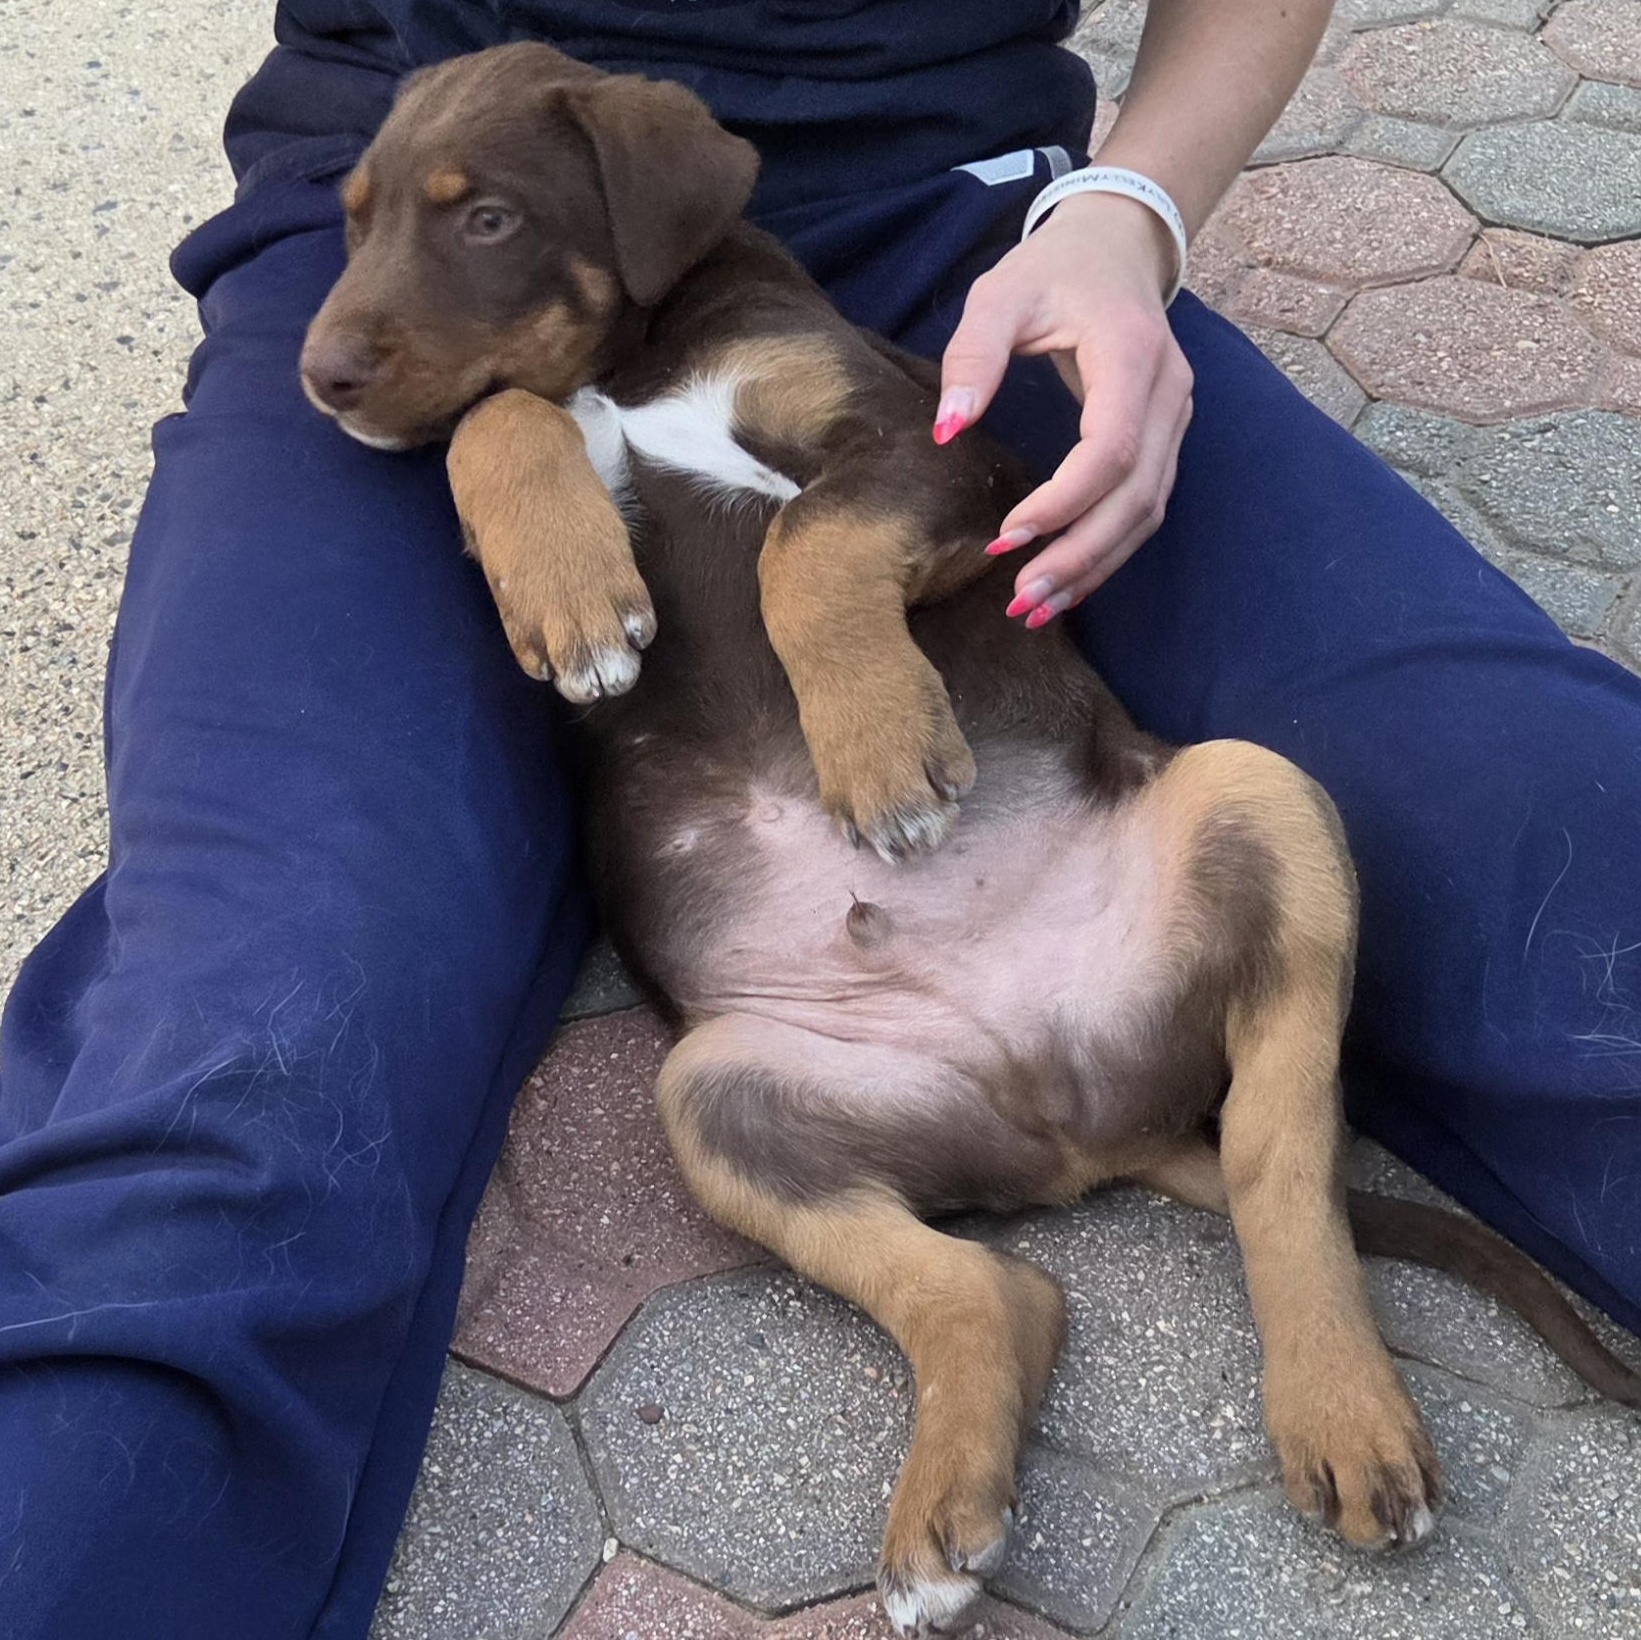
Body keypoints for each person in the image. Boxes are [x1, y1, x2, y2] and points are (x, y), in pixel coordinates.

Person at [2, 2, 1638, 1635]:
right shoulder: (406, 287)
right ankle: (958, 1311)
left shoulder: (749, 311)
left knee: (1554, 834)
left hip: (953, 206)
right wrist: (500, 440)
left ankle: (1295, 1237)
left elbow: (931, 484)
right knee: (237, 1049)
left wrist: (1129, 206)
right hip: (416, 138)